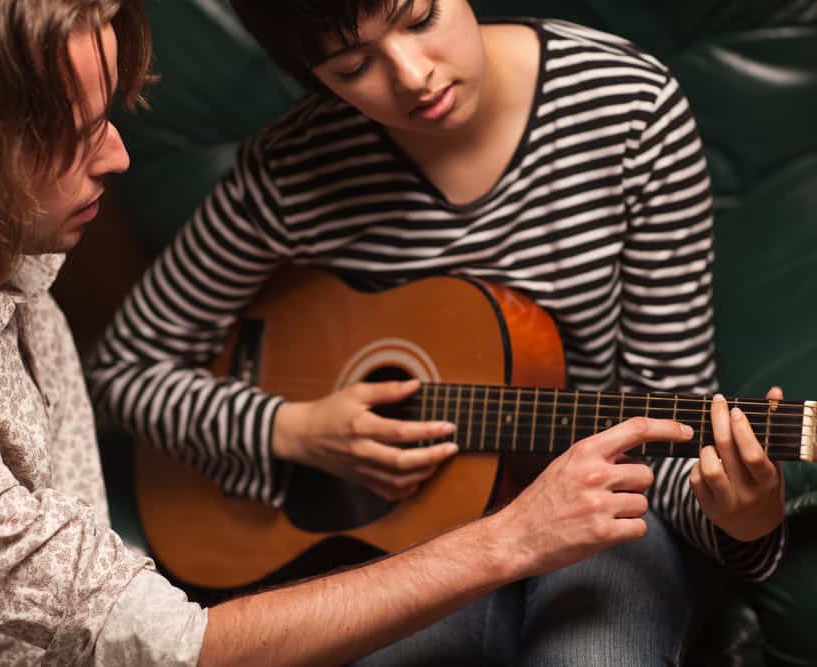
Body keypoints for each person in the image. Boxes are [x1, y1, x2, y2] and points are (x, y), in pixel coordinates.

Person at [87, 1, 788, 664]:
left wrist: (742, 521)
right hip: (418, 543)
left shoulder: (629, 109)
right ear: (312, 79)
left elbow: (668, 431)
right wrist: (295, 429)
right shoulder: (292, 172)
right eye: (352, 67)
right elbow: (123, 371)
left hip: (608, 515)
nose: (413, 75)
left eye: (419, 17)